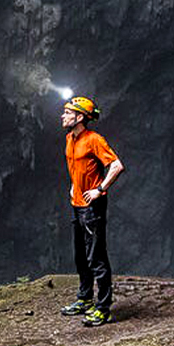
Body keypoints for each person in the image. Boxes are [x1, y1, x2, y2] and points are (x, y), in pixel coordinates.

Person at [59, 96, 124, 325]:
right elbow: (76, 167)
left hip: (91, 207)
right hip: (76, 205)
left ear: (79, 118)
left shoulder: (94, 139)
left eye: (67, 113)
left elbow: (116, 165)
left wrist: (99, 189)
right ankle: (85, 298)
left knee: (96, 257)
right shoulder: (69, 139)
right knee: (80, 256)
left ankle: (103, 308)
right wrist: (74, 186)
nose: (62, 116)